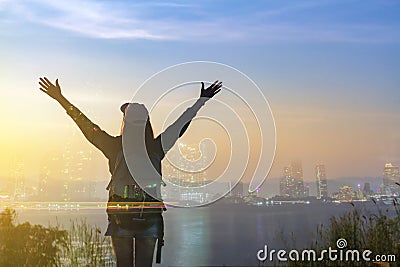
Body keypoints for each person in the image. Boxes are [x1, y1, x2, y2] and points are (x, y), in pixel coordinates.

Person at [38, 77, 222, 266]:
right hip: (150, 219)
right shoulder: (156, 148)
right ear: (147, 123)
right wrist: (201, 101)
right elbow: (180, 125)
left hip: (120, 219)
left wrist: (61, 99)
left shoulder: (114, 147)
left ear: (125, 122)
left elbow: (85, 124)